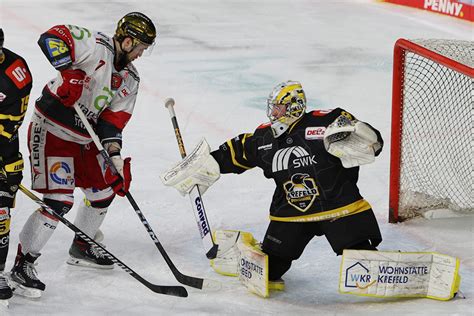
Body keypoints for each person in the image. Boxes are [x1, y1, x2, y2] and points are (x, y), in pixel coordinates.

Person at [162, 81, 383, 289]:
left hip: (339, 207)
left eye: (278, 108)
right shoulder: (264, 138)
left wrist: (362, 137)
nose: (273, 113)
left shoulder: (325, 122)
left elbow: (370, 140)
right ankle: (248, 249)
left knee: (361, 257)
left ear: (293, 107)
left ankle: (385, 270)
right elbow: (238, 151)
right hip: (291, 213)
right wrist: (204, 164)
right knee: (269, 270)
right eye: (272, 107)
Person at [8, 13, 156, 298]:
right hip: (52, 129)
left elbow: (111, 124)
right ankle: (22, 264)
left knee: (103, 192)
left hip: (86, 138)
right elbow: (51, 37)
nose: (140, 54)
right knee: (58, 201)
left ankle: (82, 245)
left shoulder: (131, 79)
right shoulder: (95, 44)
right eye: (140, 47)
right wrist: (69, 72)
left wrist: (114, 159)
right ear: (127, 41)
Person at [0, 28, 33, 303]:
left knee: (0, 212)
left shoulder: (14, 74)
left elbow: (8, 126)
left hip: (3, 151)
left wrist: (8, 163)